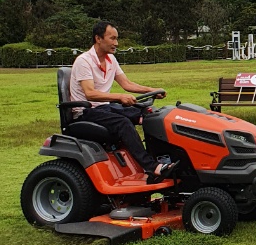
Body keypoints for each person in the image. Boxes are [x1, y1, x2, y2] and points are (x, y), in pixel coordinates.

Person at [69, 21, 176, 181]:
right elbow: (90, 94)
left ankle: (163, 159)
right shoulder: (84, 61)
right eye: (112, 38)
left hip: (105, 108)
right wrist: (119, 97)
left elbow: (127, 84)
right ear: (98, 38)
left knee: (148, 114)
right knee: (123, 123)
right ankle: (152, 167)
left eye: (116, 39)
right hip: (86, 112)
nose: (116, 43)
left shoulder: (111, 60)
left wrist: (151, 90)